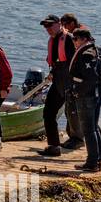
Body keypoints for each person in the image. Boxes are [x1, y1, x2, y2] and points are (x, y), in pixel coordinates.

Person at [67, 27, 101, 172]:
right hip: (93, 94)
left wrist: (78, 92)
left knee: (88, 130)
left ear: (84, 39)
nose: (74, 42)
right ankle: (97, 160)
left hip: (86, 96)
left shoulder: (87, 54)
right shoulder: (98, 51)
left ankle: (92, 162)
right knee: (93, 128)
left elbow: (90, 78)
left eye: (75, 39)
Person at [37, 14, 74, 157]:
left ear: (59, 24)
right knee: (48, 113)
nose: (48, 28)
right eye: (45, 26)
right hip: (58, 83)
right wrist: (52, 72)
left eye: (50, 25)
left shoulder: (69, 39)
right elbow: (57, 61)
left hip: (70, 85)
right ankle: (54, 146)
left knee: (82, 117)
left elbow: (74, 63)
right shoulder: (53, 40)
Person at [57, 13, 85, 150]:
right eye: (62, 25)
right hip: (69, 79)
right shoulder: (70, 37)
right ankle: (73, 136)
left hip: (78, 82)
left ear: (73, 23)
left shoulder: (79, 35)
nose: (64, 28)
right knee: (70, 110)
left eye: (66, 24)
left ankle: (78, 138)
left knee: (75, 111)